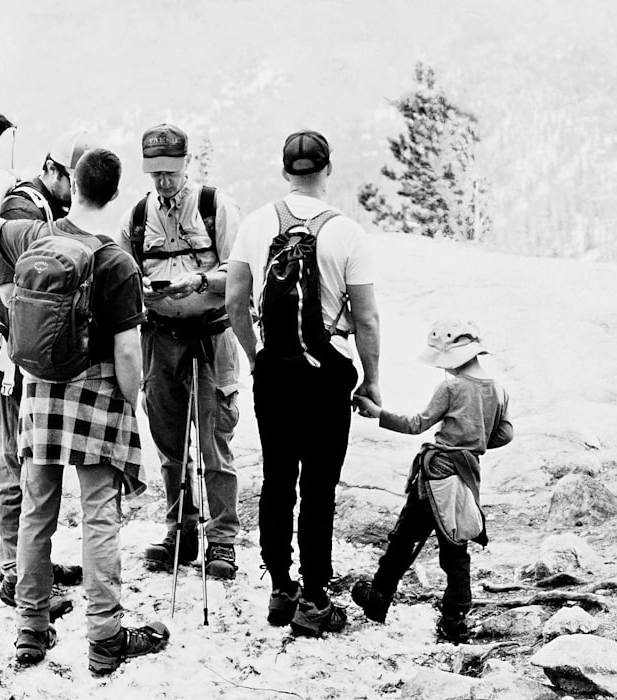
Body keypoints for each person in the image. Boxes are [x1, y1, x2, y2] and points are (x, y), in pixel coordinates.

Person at [0, 147, 170, 674]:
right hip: (97, 391)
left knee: (39, 512)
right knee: (100, 515)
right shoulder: (116, 261)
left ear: (74, 184)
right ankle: (105, 637)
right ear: (113, 192)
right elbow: (128, 351)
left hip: (40, 391)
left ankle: (30, 631)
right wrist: (133, 404)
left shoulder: (36, 235)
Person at [226, 129, 381, 636]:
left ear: (285, 171)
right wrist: (371, 381)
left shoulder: (254, 224)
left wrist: (256, 357)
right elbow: (368, 318)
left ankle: (280, 588)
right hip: (328, 377)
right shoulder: (347, 233)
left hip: (275, 373)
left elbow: (234, 303)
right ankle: (315, 598)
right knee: (318, 488)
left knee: (277, 480)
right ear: (327, 170)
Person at [120, 124, 243, 580]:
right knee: (170, 445)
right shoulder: (136, 216)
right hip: (159, 338)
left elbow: (242, 272)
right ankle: (180, 528)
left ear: (187, 163)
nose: (163, 182)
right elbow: (121, 272)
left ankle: (224, 540)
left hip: (212, 335)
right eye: (155, 174)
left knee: (215, 443)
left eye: (170, 172)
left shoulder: (216, 206)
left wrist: (203, 282)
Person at [350, 320, 513, 644]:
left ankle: (378, 600)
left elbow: (417, 424)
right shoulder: (498, 389)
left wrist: (377, 412)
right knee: (456, 547)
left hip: (435, 475)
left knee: (403, 538)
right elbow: (505, 434)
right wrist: (473, 443)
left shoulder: (451, 388)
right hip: (466, 477)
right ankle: (454, 621)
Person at [0, 130, 93, 608]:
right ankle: (16, 573)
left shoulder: (34, 209)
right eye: (72, 180)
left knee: (26, 461)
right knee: (16, 461)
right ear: (52, 171)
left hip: (24, 351)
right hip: (14, 356)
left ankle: (32, 565)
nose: (77, 191)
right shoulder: (22, 213)